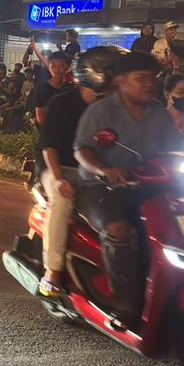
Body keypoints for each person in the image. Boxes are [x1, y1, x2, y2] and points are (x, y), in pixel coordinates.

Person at [74, 51, 184, 328]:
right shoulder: (101, 111)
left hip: (147, 187)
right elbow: (82, 150)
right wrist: (105, 169)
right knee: (119, 229)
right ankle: (125, 305)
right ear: (122, 81)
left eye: (153, 78)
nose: (149, 84)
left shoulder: (160, 114)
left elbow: (177, 148)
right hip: (101, 187)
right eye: (141, 78)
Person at [35, 46, 119, 297]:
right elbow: (49, 146)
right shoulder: (62, 103)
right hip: (59, 168)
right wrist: (59, 179)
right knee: (62, 201)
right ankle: (53, 270)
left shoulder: (112, 110)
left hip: (95, 173)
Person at [34, 52, 73, 126]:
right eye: (53, 66)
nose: (57, 69)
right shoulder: (42, 87)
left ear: (68, 68)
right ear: (49, 67)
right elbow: (40, 119)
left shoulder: (71, 89)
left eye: (62, 65)